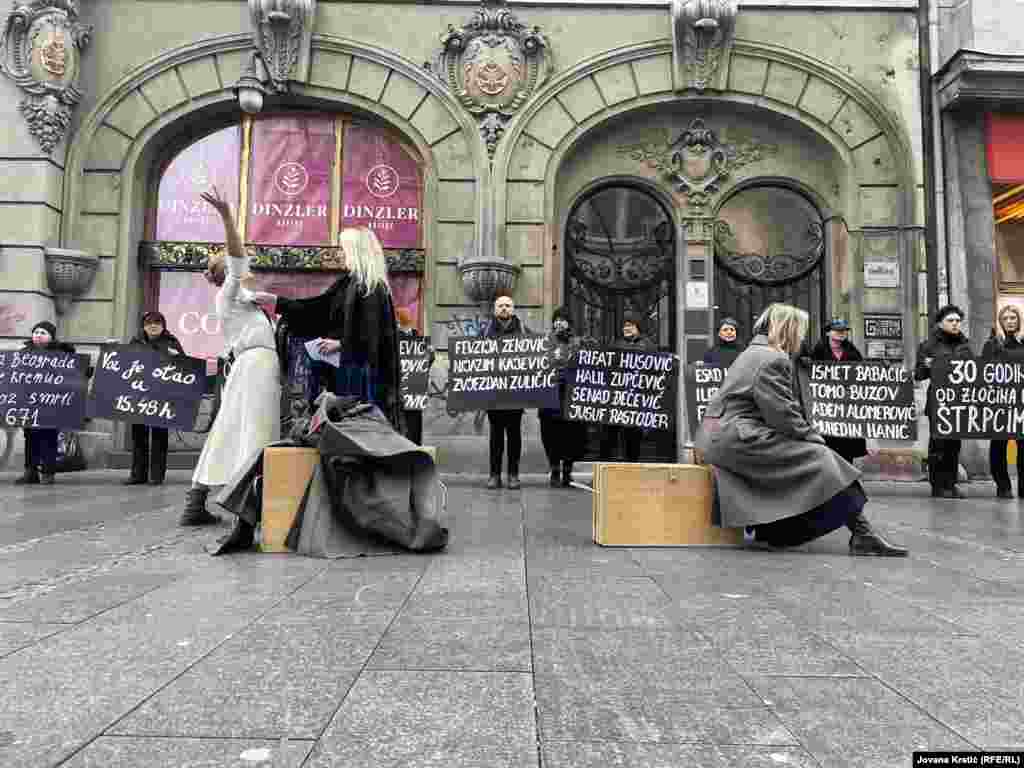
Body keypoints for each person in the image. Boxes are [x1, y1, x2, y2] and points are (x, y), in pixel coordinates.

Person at [696, 303, 907, 556]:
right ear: (788, 329)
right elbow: (783, 416)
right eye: (800, 331)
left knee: (811, 459)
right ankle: (862, 533)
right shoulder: (773, 358)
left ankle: (780, 532)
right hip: (735, 438)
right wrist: (814, 438)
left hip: (720, 436)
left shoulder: (754, 351)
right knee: (822, 458)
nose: (802, 338)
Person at [179, 188, 281, 526]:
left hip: (250, 365)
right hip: (256, 366)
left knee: (230, 428)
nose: (248, 263)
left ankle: (197, 500)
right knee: (256, 429)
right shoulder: (231, 291)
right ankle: (248, 505)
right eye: (243, 262)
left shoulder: (243, 299)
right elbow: (236, 260)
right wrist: (226, 216)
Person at [263, 227, 403, 431]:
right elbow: (317, 308)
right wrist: (277, 302)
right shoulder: (347, 283)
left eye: (344, 249)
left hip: (363, 378)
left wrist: (340, 344)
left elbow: (376, 336)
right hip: (343, 374)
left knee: (360, 427)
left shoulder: (373, 288)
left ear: (356, 251)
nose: (341, 253)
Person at [915, 304, 973, 499]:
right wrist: (926, 364)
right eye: (951, 320)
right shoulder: (928, 345)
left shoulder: (964, 344)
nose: (955, 324)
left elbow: (972, 371)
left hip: (958, 400)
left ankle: (951, 483)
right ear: (940, 323)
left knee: (954, 445)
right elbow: (919, 375)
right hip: (938, 401)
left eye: (958, 321)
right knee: (938, 444)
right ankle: (938, 485)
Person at [124, 311, 185, 486]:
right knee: (138, 437)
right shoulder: (135, 342)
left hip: (162, 398)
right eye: (150, 322)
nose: (153, 326)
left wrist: (177, 358)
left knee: (159, 437)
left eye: (157, 322)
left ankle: (157, 475)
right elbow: (123, 364)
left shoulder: (172, 343)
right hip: (139, 397)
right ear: (143, 325)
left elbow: (184, 369)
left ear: (163, 325)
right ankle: (137, 474)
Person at [14, 321, 76, 485]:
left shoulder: (62, 354)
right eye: (36, 332)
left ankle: (48, 472)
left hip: (51, 404)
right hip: (30, 404)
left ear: (51, 337)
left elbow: (76, 375)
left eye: (43, 333)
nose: (38, 335)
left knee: (49, 438)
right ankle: (31, 471)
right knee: (30, 437)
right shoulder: (24, 353)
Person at [484, 295, 531, 490]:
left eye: (508, 306)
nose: (504, 308)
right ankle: (494, 475)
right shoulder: (485, 332)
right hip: (493, 394)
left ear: (513, 309)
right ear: (495, 310)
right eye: (500, 306)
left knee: (514, 436)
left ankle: (513, 474)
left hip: (515, 393)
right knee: (495, 437)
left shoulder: (524, 331)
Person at [809, 318, 868, 465]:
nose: (842, 333)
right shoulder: (818, 351)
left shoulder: (852, 351)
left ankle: (847, 479)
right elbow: (810, 375)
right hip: (827, 407)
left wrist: (882, 367)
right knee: (829, 445)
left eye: (844, 331)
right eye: (838, 330)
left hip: (848, 407)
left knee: (847, 446)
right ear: (828, 333)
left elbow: (865, 372)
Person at [538, 306, 586, 488]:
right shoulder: (543, 342)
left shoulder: (578, 343)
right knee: (550, 435)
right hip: (549, 396)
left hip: (571, 396)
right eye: (556, 319)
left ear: (569, 323)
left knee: (572, 435)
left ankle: (567, 470)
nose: (558, 322)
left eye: (562, 319)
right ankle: (554, 469)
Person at [982, 305, 1024, 498]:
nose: (1010, 321)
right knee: (998, 446)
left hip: (1021, 402)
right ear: (1001, 322)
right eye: (1006, 318)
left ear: (1018, 321)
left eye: (1013, 318)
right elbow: (983, 372)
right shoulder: (992, 345)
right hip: (999, 403)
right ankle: (1003, 485)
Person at [602, 312, 652, 462]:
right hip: (617, 397)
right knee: (611, 433)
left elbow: (655, 369)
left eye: (630, 325)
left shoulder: (648, 345)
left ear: (637, 327)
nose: (627, 328)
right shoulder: (615, 345)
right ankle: (608, 465)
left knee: (633, 435)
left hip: (637, 397)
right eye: (625, 326)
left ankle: (632, 464)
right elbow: (607, 367)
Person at [396, 306, 434, 445]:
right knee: (402, 420)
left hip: (414, 385)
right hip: (399, 385)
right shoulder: (393, 337)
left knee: (414, 421)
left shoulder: (418, 336)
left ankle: (414, 447)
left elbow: (427, 360)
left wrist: (430, 354)